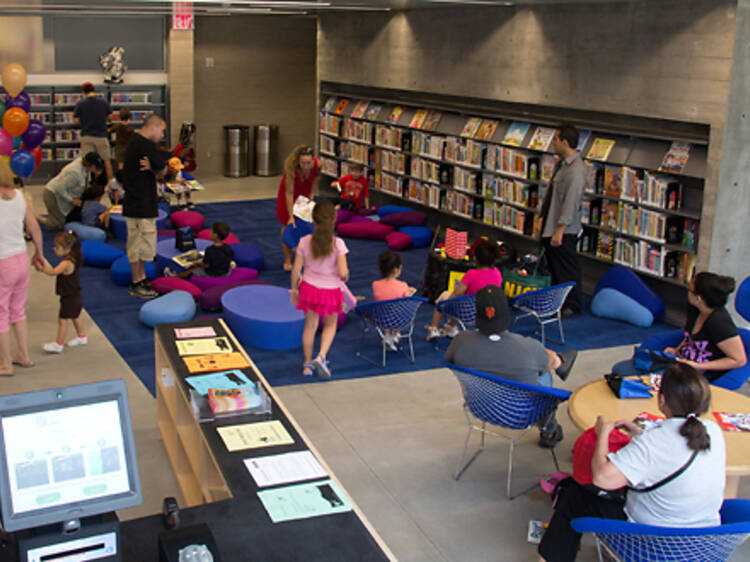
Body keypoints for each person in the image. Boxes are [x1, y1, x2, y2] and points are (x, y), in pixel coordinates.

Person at [538, 363, 726, 562]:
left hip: (654, 540)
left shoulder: (653, 442)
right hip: (705, 542)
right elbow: (672, 451)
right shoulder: (711, 430)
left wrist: (603, 434)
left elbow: (602, 478)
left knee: (574, 496)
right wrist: (641, 435)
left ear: (662, 400)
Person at [445, 284, 578, 448]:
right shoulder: (527, 346)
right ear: (506, 313)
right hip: (519, 413)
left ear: (477, 313)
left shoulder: (461, 341)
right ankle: (549, 430)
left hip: (480, 406)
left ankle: (558, 361)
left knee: (537, 363)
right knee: (544, 373)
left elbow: (449, 359)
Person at [290, 200, 348, 379]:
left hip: (308, 287)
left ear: (313, 220)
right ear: (334, 219)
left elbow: (296, 269)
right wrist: (344, 276)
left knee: (310, 326)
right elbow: (343, 273)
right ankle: (321, 356)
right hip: (330, 290)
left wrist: (294, 290)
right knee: (330, 325)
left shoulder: (304, 241)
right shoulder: (338, 244)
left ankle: (307, 364)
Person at [0, 160, 44, 375]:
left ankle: (6, 364)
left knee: (1, 314)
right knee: (18, 311)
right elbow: (34, 226)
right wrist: (40, 253)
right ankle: (24, 356)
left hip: (2, 262)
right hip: (20, 258)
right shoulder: (19, 196)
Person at [664, 272, 747, 381]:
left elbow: (740, 360)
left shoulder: (719, 322)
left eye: (690, 289)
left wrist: (698, 366)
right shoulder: (695, 309)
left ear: (698, 298)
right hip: (683, 364)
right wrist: (677, 350)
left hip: (702, 374)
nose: (687, 291)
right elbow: (690, 337)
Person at [540, 123, 586, 316]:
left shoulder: (576, 170)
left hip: (563, 230)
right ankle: (557, 302)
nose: (553, 143)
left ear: (564, 142)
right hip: (551, 224)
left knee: (566, 268)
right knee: (555, 267)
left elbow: (571, 202)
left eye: (556, 139)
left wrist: (560, 229)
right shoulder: (562, 164)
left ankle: (572, 304)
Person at [122, 114, 168, 299]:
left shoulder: (134, 141)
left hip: (134, 201)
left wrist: (153, 168)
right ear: (154, 127)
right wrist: (155, 168)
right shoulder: (145, 145)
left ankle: (140, 277)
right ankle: (137, 281)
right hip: (142, 202)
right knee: (143, 243)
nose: (162, 135)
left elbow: (158, 166)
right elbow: (163, 168)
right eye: (162, 130)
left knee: (136, 243)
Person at [426, 238, 503, 341]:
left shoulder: (471, 274)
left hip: (467, 310)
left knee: (443, 301)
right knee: (461, 302)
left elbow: (457, 293)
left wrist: (447, 301)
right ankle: (450, 327)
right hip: (486, 310)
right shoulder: (497, 273)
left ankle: (433, 329)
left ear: (475, 259)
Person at [35, 231, 87, 354]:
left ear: (67, 248)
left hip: (69, 297)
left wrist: (41, 267)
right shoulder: (73, 258)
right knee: (75, 316)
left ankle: (59, 344)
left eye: (57, 247)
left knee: (62, 320)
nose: (54, 249)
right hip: (74, 295)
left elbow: (53, 272)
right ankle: (82, 336)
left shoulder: (66, 263)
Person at [276, 145, 321, 271]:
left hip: (304, 193)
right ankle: (287, 258)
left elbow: (314, 183)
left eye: (308, 163)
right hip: (289, 195)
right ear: (298, 161)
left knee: (306, 224)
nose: (306, 166)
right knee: (288, 226)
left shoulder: (318, 165)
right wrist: (291, 216)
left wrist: (310, 200)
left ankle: (303, 255)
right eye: (303, 163)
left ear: (313, 160)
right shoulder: (291, 169)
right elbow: (289, 193)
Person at [42, 152, 104, 230]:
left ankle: (53, 217)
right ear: (90, 165)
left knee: (64, 219)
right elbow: (59, 188)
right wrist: (71, 200)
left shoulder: (85, 168)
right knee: (60, 224)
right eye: (96, 167)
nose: (97, 170)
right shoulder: (75, 172)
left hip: (63, 195)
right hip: (53, 195)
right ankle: (36, 217)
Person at [372, 250, 416, 350]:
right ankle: (396, 333)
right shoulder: (403, 285)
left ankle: (387, 335)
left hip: (380, 320)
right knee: (399, 309)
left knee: (385, 309)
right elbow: (406, 302)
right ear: (396, 270)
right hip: (399, 320)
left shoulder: (375, 284)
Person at [73, 82, 115, 182]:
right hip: (101, 136)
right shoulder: (103, 102)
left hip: (87, 136)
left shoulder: (80, 104)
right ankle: (111, 186)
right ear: (94, 90)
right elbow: (110, 117)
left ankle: (87, 184)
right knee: (107, 161)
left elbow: (76, 121)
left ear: (83, 92)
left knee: (87, 162)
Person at [165, 222, 235, 279]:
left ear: (215, 235)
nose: (209, 233)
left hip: (213, 274)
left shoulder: (210, 250)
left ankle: (174, 277)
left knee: (192, 270)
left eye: (211, 231)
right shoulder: (228, 247)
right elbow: (230, 258)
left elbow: (206, 265)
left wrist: (198, 263)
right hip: (226, 272)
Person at [109, 107, 134, 172]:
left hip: (119, 147)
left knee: (120, 164)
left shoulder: (117, 126)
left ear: (120, 116)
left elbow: (109, 131)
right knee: (128, 164)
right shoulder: (130, 128)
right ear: (129, 117)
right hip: (128, 148)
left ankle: (121, 178)